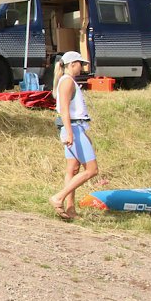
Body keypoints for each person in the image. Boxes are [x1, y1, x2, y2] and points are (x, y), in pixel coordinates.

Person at [50, 51, 98, 220]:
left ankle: (70, 209)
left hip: (75, 128)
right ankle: (59, 197)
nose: (82, 67)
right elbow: (64, 110)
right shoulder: (67, 82)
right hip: (74, 128)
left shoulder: (67, 81)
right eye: (80, 64)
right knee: (92, 170)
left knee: (73, 169)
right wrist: (70, 133)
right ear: (72, 64)